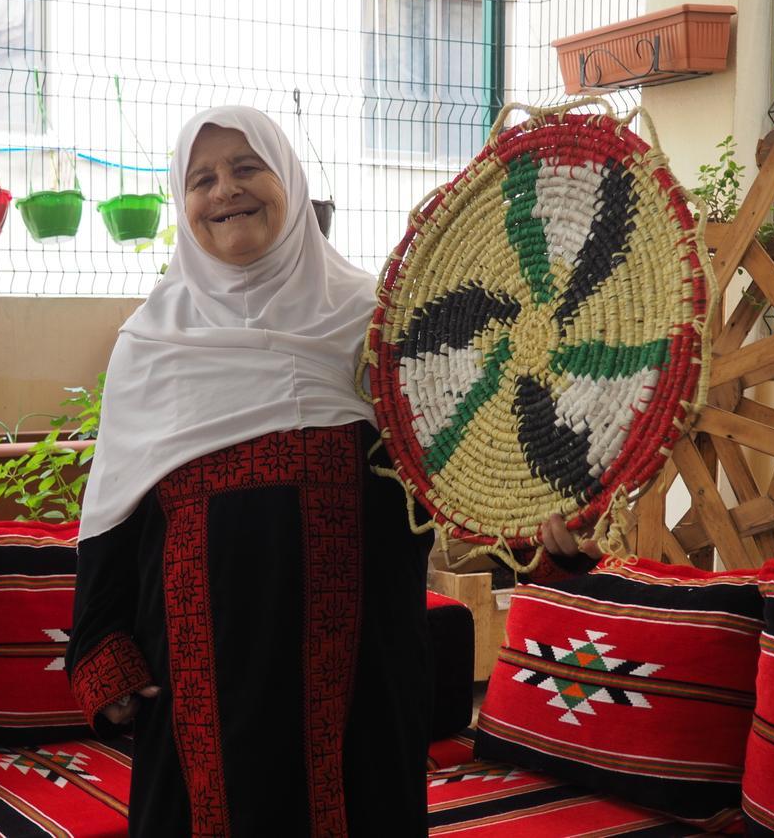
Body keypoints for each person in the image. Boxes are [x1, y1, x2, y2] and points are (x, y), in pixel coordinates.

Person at [65, 105, 597, 837]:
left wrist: (540, 530)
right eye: (203, 178)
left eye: (247, 168)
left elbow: (476, 463)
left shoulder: (380, 324)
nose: (226, 191)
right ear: (181, 203)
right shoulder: (152, 343)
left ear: (289, 179)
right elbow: (113, 512)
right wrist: (104, 652)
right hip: (202, 687)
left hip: (362, 675)